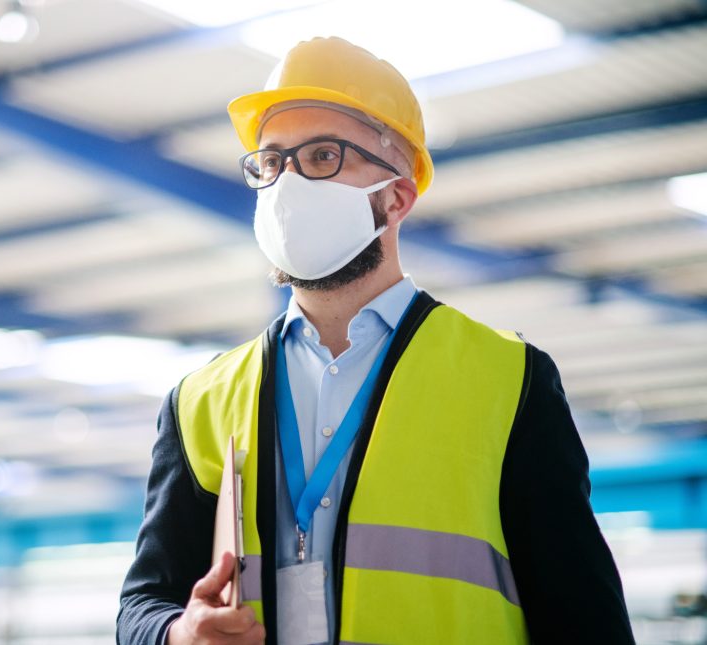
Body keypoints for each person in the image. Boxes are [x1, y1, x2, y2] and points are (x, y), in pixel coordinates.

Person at [117, 36, 635, 645]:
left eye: (322, 157)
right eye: (271, 161)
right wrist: (176, 634)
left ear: (397, 197)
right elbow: (142, 603)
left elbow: (584, 619)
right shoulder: (199, 401)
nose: (286, 183)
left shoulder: (509, 379)